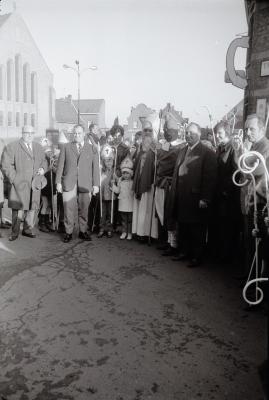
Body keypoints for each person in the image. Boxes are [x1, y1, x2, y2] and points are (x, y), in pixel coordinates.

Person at [169, 122, 217, 267]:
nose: (188, 135)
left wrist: (205, 197)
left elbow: (209, 177)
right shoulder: (183, 150)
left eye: (192, 133)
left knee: (197, 229)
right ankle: (184, 252)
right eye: (187, 133)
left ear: (199, 134)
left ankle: (197, 256)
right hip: (182, 196)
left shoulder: (207, 153)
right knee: (183, 225)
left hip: (196, 197)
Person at [1, 125, 47, 241]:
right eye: (27, 133)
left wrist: (43, 169)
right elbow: (6, 165)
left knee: (32, 206)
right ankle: (15, 232)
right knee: (18, 209)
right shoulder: (13, 146)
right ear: (22, 133)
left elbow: (44, 161)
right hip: (19, 183)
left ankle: (27, 229)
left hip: (34, 183)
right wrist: (15, 178)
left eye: (32, 133)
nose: (30, 135)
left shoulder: (38, 147)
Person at [56, 124, 99, 243]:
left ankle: (83, 231)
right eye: (75, 133)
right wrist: (58, 182)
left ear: (84, 134)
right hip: (69, 182)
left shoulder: (92, 148)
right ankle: (68, 232)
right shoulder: (66, 147)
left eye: (79, 133)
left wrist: (96, 185)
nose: (77, 135)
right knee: (68, 209)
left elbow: (95, 168)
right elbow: (60, 165)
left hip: (85, 183)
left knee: (84, 208)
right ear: (72, 134)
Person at [210, 121, 242, 263]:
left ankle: (227, 257)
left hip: (227, 197)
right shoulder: (220, 148)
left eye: (220, 133)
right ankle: (219, 253)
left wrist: (226, 190)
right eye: (216, 133)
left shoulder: (233, 149)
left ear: (227, 133)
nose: (217, 135)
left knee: (227, 227)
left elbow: (237, 172)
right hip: (218, 194)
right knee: (218, 225)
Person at [155, 115, 186, 255]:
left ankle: (173, 244)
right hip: (160, 183)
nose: (166, 132)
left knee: (170, 215)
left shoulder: (181, 147)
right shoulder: (163, 145)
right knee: (161, 213)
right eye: (165, 129)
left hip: (171, 185)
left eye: (169, 130)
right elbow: (160, 163)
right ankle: (164, 240)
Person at [132, 121, 158, 241]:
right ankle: (138, 232)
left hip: (149, 183)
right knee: (139, 208)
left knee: (148, 210)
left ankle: (148, 234)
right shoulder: (138, 146)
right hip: (138, 180)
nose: (147, 133)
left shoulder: (157, 147)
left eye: (150, 130)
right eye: (145, 130)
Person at [112, 156, 134, 240]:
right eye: (124, 173)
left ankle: (130, 232)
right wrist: (113, 185)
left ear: (131, 174)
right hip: (122, 204)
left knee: (130, 220)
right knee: (124, 220)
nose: (125, 175)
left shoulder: (133, 182)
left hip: (130, 203)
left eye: (127, 173)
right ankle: (124, 232)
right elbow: (117, 191)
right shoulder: (120, 182)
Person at [97, 144, 116, 238]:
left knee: (110, 212)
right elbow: (98, 180)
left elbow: (118, 180)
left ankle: (109, 228)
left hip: (111, 195)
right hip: (103, 195)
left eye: (110, 160)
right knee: (102, 212)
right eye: (106, 161)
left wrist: (115, 180)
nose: (108, 163)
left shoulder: (114, 171)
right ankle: (102, 228)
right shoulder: (101, 171)